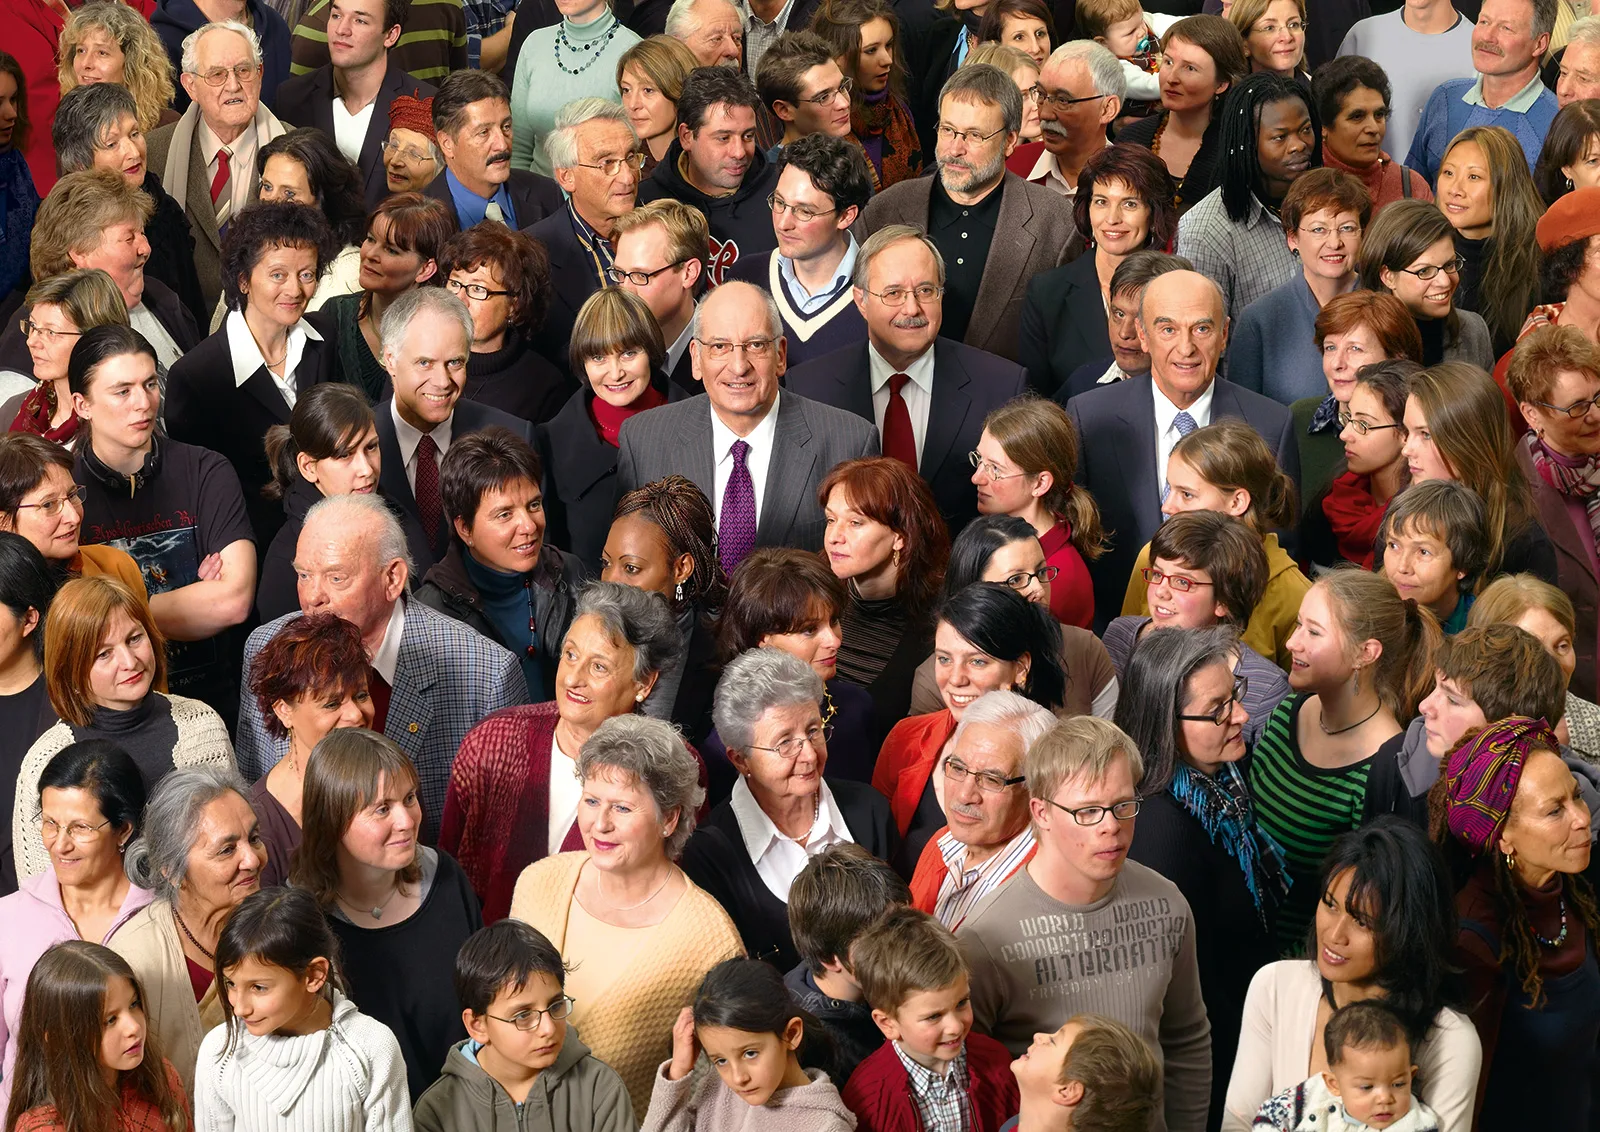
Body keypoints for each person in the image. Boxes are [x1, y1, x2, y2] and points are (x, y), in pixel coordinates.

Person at [955, 716, 1210, 1131]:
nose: (1111, 826)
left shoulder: (1167, 903)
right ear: (1041, 812)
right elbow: (970, 1083)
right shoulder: (984, 939)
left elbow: (1186, 1039)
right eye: (1088, 811)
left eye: (1123, 806)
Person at [238, 492, 528, 842]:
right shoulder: (266, 648)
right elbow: (251, 799)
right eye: (303, 575)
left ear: (392, 579)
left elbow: (501, 841)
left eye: (336, 578)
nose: (312, 597)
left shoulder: (487, 673)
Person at [510, 714, 744, 1115]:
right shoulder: (537, 883)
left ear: (669, 819)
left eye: (621, 807)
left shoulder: (711, 941)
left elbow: (715, 1099)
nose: (600, 823)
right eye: (591, 801)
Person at [1116, 627, 1287, 1126]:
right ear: (1165, 724)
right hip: (1209, 1063)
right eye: (1217, 710)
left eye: (1235, 696)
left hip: (1245, 1029)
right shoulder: (1162, 831)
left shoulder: (1223, 778)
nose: (1241, 715)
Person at [1066, 269, 1296, 633]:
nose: (1186, 348)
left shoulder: (1271, 423)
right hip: (1117, 636)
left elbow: (1283, 545)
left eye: (1202, 329)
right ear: (1142, 335)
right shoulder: (1088, 416)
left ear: (1224, 336)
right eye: (1168, 329)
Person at [1223, 817, 1481, 1132]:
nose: (1334, 935)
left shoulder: (1451, 1040)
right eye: (1330, 905)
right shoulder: (1274, 987)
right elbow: (1237, 1121)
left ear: (1408, 932)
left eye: (1362, 922)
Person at [441, 580, 678, 917]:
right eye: (570, 655)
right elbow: (446, 875)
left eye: (598, 667)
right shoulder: (492, 743)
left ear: (644, 683)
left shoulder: (668, 772)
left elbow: (668, 902)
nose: (572, 678)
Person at [615, 280, 881, 563]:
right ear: (696, 358)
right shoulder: (643, 440)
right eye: (719, 346)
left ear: (780, 355)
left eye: (755, 345)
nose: (739, 366)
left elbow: (865, 577)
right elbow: (628, 569)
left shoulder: (850, 442)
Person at [786, 226, 1028, 535]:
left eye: (926, 291)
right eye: (893, 293)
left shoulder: (1002, 386)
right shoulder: (808, 388)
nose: (912, 308)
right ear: (860, 300)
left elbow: (1017, 517)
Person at [71, 326, 256, 717]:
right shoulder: (65, 494)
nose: (144, 403)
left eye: (151, 384)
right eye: (122, 391)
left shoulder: (207, 470)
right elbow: (70, 630)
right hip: (112, 713)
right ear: (81, 404)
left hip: (215, 699)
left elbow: (233, 601)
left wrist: (112, 613)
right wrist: (191, 595)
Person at [1250, 573, 1440, 951]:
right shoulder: (1289, 709)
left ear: (1365, 654)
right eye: (1298, 625)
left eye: (1314, 632)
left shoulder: (1387, 767)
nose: (1292, 642)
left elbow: (1368, 909)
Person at [290, 727, 482, 1100]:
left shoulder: (445, 878)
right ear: (331, 820)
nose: (408, 820)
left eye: (409, 797)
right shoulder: (302, 924)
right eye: (382, 809)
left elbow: (488, 1003)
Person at [681, 647, 896, 970]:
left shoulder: (869, 810)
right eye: (785, 743)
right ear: (740, 759)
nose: (808, 754)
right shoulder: (710, 854)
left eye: (813, 731)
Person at [1435, 717, 1599, 1127]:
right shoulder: (1473, 942)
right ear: (1503, 835)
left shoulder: (1578, 893)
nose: (1581, 818)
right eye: (1554, 811)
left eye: (1576, 798)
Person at [12, 578, 233, 882]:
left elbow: (235, 844)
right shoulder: (45, 761)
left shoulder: (202, 725)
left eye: (134, 639)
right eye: (104, 654)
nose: (130, 662)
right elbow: (39, 891)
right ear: (71, 667)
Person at [860, 64, 1078, 363]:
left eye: (974, 135)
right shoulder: (884, 211)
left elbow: (1064, 343)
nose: (955, 149)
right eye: (948, 130)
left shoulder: (1055, 222)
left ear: (1010, 141)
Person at [164, 201, 339, 547]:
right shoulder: (197, 376)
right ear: (243, 280)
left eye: (307, 274)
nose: (295, 290)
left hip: (334, 529)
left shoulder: (325, 338)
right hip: (253, 547)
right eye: (278, 275)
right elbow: (196, 495)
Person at [0, 744, 150, 1115]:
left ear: (123, 830)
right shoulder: (9, 918)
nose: (60, 844)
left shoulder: (161, 918)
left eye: (80, 827)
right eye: (50, 823)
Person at [877, 583, 1066, 873]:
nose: (955, 679)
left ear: (1020, 668)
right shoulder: (907, 738)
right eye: (944, 659)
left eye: (977, 661)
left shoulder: (1060, 766)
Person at [194, 886, 410, 1127]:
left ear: (314, 975)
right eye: (230, 983)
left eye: (259, 987)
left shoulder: (372, 1048)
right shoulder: (219, 1053)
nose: (240, 1008)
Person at [108, 765, 265, 1093]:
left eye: (254, 838)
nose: (252, 859)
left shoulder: (285, 930)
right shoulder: (134, 960)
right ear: (172, 871)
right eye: (227, 850)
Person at [413, 918, 637, 1132]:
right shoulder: (436, 1112)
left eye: (555, 1006)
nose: (548, 1028)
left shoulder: (600, 1087)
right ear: (477, 1026)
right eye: (523, 1016)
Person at [373, 288, 536, 570]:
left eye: (455, 363)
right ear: (390, 360)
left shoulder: (513, 435)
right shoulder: (353, 448)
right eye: (424, 363)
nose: (442, 381)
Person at [413, 427, 583, 701]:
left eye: (534, 505)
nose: (529, 526)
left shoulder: (569, 572)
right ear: (465, 528)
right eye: (505, 514)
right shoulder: (430, 612)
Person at [1124, 419, 1308, 667]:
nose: (1167, 506)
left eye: (1186, 494)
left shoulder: (1294, 593)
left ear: (1236, 503)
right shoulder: (1154, 558)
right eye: (1170, 489)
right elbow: (1127, 645)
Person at [906, 517, 1119, 721]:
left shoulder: (1085, 648)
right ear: (973, 591)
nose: (1037, 589)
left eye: (1042, 572)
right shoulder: (935, 681)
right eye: (1016, 580)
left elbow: (1111, 749)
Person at [145, 21, 291, 318]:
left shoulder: (297, 153)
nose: (233, 85)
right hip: (178, 322)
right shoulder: (152, 153)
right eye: (217, 74)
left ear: (260, 75)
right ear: (190, 86)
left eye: (243, 70)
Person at [1102, 510, 1289, 740]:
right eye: (1157, 574)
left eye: (1182, 581)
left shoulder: (1265, 689)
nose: (1161, 591)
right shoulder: (1120, 637)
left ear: (1224, 600)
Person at [708, 547, 879, 793]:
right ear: (763, 640)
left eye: (833, 621)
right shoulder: (727, 744)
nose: (834, 641)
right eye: (809, 629)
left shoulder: (858, 707)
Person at [256, 381, 429, 621]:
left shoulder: (394, 513)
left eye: (371, 447)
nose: (366, 469)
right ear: (308, 467)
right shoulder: (286, 561)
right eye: (345, 455)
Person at [4, 170, 202, 378]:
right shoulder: (34, 341)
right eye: (129, 238)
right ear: (80, 252)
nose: (146, 248)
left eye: (142, 233)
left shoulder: (160, 297)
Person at [1018, 143, 1178, 398]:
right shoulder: (1047, 293)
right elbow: (1033, 402)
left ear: (1153, 213)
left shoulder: (1179, 291)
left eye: (1129, 204)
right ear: (1087, 208)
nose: (1112, 218)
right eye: (1101, 202)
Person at [1366, 623, 1567, 824]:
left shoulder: (1576, 812)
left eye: (1452, 700)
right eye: (1435, 687)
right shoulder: (1393, 758)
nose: (1424, 706)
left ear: (1509, 727)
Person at [842, 906, 1019, 1131]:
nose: (955, 1027)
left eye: (962, 1003)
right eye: (934, 1016)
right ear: (887, 1024)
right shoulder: (868, 1098)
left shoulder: (996, 1062)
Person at [49, 81, 206, 330]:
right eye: (112, 144)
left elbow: (191, 302)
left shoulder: (163, 205)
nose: (133, 152)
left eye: (134, 134)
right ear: (80, 163)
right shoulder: (64, 225)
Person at [539, 288, 670, 572]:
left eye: (628, 353)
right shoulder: (550, 442)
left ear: (652, 350)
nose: (615, 373)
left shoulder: (699, 422)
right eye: (598, 357)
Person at [1390, 361, 1556, 582]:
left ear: (1469, 442)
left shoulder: (1525, 543)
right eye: (1407, 432)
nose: (1407, 449)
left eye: (1425, 434)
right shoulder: (1401, 508)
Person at [904, 690, 1055, 933]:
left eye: (991, 780)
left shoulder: (1045, 895)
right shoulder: (941, 844)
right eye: (958, 768)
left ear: (1035, 788)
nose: (965, 795)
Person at [642, 957, 854, 1130]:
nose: (738, 1078)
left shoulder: (826, 1126)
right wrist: (678, 1070)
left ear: (791, 1034)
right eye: (720, 1060)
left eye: (750, 1053)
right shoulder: (719, 1087)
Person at [820, 457, 950, 735]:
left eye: (855, 523)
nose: (834, 537)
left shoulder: (941, 623)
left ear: (900, 536)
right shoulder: (810, 597)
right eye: (831, 520)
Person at [2, 940, 190, 1132]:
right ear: (60, 1038)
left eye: (134, 1004)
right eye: (110, 1020)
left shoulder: (161, 1077)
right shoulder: (43, 1128)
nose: (133, 1027)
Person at [244, 612, 374, 885]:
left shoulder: (394, 780)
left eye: (361, 695)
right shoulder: (259, 826)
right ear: (284, 711)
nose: (355, 715)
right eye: (332, 703)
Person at [1176, 73, 1319, 320]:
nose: (1298, 145)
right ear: (1247, 143)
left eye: (1305, 130)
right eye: (1280, 137)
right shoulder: (1205, 232)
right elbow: (1202, 335)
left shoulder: (1328, 203)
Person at [1226, 169, 1372, 405]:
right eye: (1318, 230)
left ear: (1362, 234)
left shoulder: (1387, 307)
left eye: (1347, 228)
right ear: (1292, 238)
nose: (1334, 242)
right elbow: (1242, 421)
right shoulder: (1260, 320)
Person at [272, 0, 435, 209]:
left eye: (360, 20)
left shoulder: (424, 105)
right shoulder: (291, 98)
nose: (342, 30)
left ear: (391, 35)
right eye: (336, 16)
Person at [726, 134, 872, 365]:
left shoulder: (881, 292)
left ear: (846, 216)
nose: (783, 223)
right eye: (780, 203)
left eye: (804, 211)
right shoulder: (745, 278)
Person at [601, 476, 727, 743]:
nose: (610, 581)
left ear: (681, 569)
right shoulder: (593, 629)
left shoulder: (716, 658)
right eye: (605, 563)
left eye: (631, 568)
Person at [525, 100, 646, 374]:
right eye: (607, 164)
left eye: (630, 157)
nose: (627, 177)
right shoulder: (532, 254)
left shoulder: (665, 228)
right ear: (566, 177)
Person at [968, 398, 1105, 630]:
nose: (977, 478)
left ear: (1040, 483)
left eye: (995, 469)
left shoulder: (1058, 579)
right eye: (979, 460)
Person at [636, 67, 781, 283]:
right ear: (687, 136)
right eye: (723, 138)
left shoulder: (783, 191)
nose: (739, 152)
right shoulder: (646, 203)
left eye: (748, 136)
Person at [785, 844, 912, 1086]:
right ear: (829, 958)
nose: (903, 944)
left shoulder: (859, 982)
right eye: (878, 941)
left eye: (903, 923)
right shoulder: (817, 1053)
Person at [1288, 295, 1423, 517]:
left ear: (1396, 358)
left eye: (1355, 349)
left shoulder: (1427, 429)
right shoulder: (1297, 418)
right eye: (1330, 348)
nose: (1337, 364)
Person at [319, 191, 456, 401]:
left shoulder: (446, 335)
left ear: (425, 269)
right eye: (370, 239)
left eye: (391, 250)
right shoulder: (335, 314)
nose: (371, 255)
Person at [1405, 0, 1559, 184]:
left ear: (1540, 44)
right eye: (1484, 22)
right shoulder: (1445, 98)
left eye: (1506, 28)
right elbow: (1411, 193)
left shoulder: (1557, 124)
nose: (1487, 37)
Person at [438, 224, 568, 426]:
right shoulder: (415, 355)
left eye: (477, 289)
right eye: (455, 284)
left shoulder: (543, 385)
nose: (459, 300)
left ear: (514, 306)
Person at [1115, 15, 1245, 214]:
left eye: (1190, 68)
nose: (1172, 77)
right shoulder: (1130, 139)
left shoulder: (1235, 152)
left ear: (1222, 84)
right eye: (1168, 62)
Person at [1251, 1001, 1445, 1132]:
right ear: (1334, 1084)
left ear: (1411, 1076)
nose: (1385, 1098)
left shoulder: (1418, 1125)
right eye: (1367, 1087)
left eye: (1398, 1084)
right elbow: (1269, 1115)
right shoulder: (1315, 1093)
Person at [1434, 126, 1543, 358]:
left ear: (1507, 186)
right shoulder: (1420, 254)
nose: (1455, 189)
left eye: (1474, 177)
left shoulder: (1539, 264)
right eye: (1448, 173)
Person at [1300, 358, 1417, 572]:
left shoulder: (1422, 517)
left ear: (1406, 433)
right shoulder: (1334, 497)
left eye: (1363, 424)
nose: (1345, 434)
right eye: (1348, 417)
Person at [0, 435, 147, 600]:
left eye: (72, 495)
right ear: (3, 522)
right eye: (48, 504)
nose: (74, 517)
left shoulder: (115, 566)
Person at [1468, 573, 1600, 753]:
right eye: (1530, 649)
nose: (1551, 663)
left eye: (1562, 645)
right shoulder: (1454, 725)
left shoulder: (1595, 727)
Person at [1356, 199, 1494, 369]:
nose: (1444, 281)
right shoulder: (1357, 343)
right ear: (1388, 276)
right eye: (1425, 271)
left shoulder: (1474, 330)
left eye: (1449, 265)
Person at [421, 70, 564, 232]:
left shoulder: (547, 194)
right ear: (447, 143)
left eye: (506, 127)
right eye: (484, 132)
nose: (502, 145)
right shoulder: (418, 222)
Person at [1336, 0, 1475, 163]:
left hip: (1450, 185)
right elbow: (1333, 126)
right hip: (1366, 185)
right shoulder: (1363, 35)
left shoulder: (1481, 47)